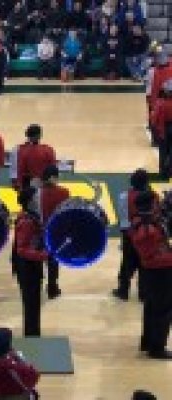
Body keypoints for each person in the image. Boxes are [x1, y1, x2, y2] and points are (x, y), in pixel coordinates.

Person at [130, 191, 172, 359]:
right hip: (160, 271)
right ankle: (157, 347)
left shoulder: (140, 221)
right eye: (157, 202)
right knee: (163, 310)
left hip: (151, 271)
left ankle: (148, 341)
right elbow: (149, 250)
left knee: (151, 307)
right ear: (151, 205)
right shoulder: (146, 227)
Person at [113, 169, 159, 301]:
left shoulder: (124, 196)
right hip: (148, 236)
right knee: (145, 264)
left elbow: (123, 221)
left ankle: (123, 291)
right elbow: (156, 217)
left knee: (127, 264)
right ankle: (143, 294)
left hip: (131, 236)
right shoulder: (154, 196)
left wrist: (125, 239)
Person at [12, 187, 48, 336]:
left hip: (31, 266)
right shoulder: (26, 222)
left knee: (33, 306)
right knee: (31, 306)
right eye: (36, 198)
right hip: (27, 268)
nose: (39, 200)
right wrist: (43, 255)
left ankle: (33, 334)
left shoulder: (32, 216)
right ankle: (31, 336)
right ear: (30, 201)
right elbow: (22, 249)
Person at [39, 165, 70, 299]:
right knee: (53, 260)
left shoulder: (36, 192)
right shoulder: (64, 192)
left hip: (39, 230)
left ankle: (37, 284)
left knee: (37, 258)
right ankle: (52, 287)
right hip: (56, 231)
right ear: (53, 178)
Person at [10, 124, 56, 190]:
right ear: (39, 136)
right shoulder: (48, 149)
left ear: (27, 135)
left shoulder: (17, 149)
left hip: (26, 183)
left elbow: (15, 168)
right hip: (43, 182)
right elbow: (53, 169)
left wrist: (15, 182)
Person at [150, 79, 172, 178]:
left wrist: (154, 130)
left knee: (163, 151)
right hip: (167, 127)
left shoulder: (160, 103)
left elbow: (154, 119)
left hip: (164, 129)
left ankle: (163, 172)